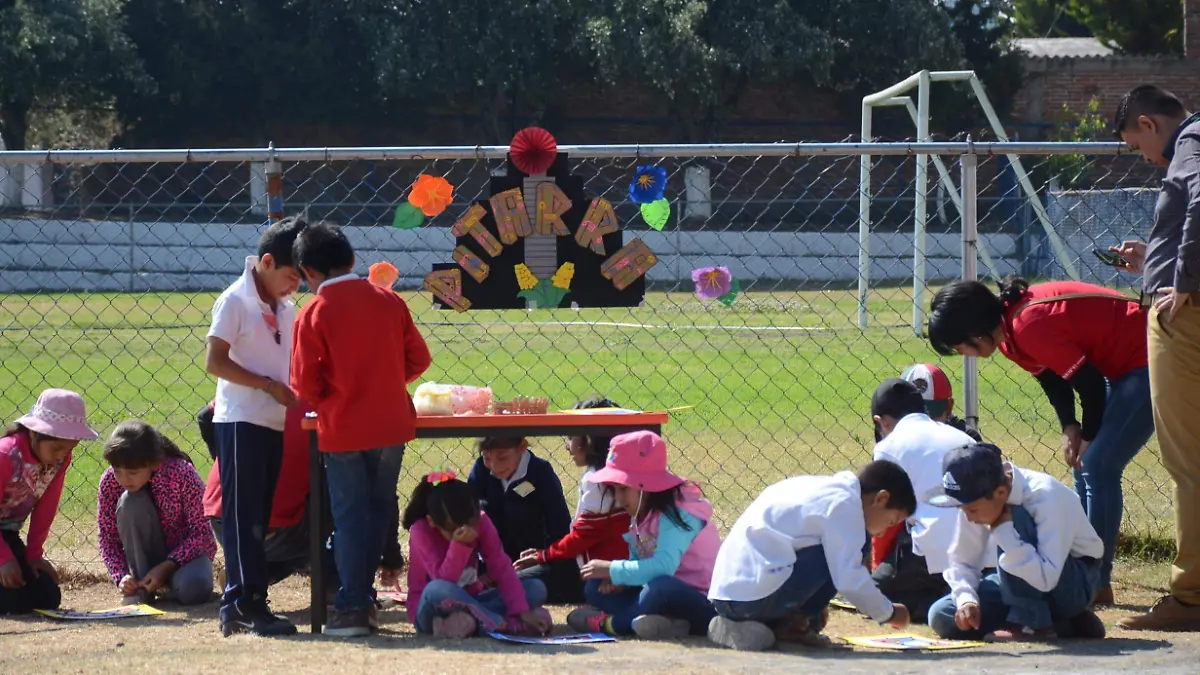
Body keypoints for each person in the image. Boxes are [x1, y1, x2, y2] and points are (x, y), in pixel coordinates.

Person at [928, 276, 1153, 605]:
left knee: (1098, 465)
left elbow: (1088, 383)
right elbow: (1052, 378)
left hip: (1149, 358)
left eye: (959, 346)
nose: (963, 354)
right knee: (1083, 465)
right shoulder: (1008, 334)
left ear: (975, 334)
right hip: (1122, 368)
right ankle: (1084, 567)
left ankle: (1096, 580)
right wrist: (1070, 427)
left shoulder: (1027, 324)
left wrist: (1088, 435)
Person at [291, 221, 432, 637]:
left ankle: (354, 604)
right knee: (377, 507)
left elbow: (303, 384)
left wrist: (332, 399)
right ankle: (363, 596)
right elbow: (419, 359)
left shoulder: (314, 312)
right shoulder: (388, 302)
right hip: (391, 423)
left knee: (350, 515)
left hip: (344, 428)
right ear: (352, 259)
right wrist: (386, 384)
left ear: (307, 273)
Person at [1110, 84, 1200, 631]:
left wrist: (1182, 280)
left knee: (1188, 463)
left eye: (1138, 146)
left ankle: (1190, 597)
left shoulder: (1190, 138)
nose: (1145, 158)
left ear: (1149, 123)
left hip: (1183, 320)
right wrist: (1156, 262)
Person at [205, 215, 307, 637]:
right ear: (266, 262)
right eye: (289, 276)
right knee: (245, 515)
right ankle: (245, 603)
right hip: (240, 421)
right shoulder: (235, 301)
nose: (293, 287)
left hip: (273, 422)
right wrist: (266, 385)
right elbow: (215, 361)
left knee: (258, 517)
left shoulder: (285, 309)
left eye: (300, 281)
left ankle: (241, 603)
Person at [706, 460, 915, 652]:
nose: (882, 532)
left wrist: (816, 603)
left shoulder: (822, 489)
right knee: (857, 546)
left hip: (729, 595)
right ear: (881, 498)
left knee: (843, 550)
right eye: (890, 521)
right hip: (751, 600)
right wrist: (889, 613)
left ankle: (770, 624)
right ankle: (791, 626)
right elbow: (848, 578)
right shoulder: (845, 506)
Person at [926, 443, 1106, 641]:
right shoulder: (974, 499)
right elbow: (963, 561)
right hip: (1018, 580)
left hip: (1073, 582)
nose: (968, 518)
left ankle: (1034, 624)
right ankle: (1065, 624)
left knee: (1018, 516)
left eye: (972, 510)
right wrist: (967, 600)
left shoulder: (1045, 496)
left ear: (1001, 493)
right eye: (962, 509)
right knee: (941, 615)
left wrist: (1004, 532)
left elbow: (1048, 577)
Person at [565, 431, 722, 640]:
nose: (618, 499)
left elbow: (663, 567)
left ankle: (612, 625)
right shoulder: (640, 515)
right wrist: (620, 581)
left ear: (645, 486)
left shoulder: (679, 513)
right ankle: (668, 624)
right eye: (614, 490)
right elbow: (638, 562)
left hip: (703, 603)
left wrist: (613, 569)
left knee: (660, 587)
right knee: (594, 587)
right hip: (661, 596)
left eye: (622, 489)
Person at [869, 378, 984, 623]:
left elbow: (886, 518)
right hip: (983, 553)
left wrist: (877, 568)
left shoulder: (888, 446)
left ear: (881, 422)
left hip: (932, 555)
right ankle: (958, 593)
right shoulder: (963, 437)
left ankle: (937, 598)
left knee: (874, 595)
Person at [404, 471, 552, 638]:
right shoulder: (421, 531)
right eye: (455, 530)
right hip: (432, 606)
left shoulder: (482, 522)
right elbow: (445, 581)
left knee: (535, 589)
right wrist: (459, 544)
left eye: (471, 525)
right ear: (432, 522)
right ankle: (500, 623)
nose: (467, 532)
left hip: (471, 601)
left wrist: (522, 610)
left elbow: (501, 567)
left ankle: (467, 625)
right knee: (436, 588)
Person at [0, 389, 98, 614]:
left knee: (47, 596)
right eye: (56, 448)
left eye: (68, 449)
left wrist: (33, 555)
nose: (61, 455)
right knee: (15, 602)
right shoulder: (6, 455)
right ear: (34, 434)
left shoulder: (59, 460)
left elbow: (46, 507)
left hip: (6, 536)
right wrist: (4, 559)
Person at [97, 420, 216, 606]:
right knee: (130, 501)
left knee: (195, 588)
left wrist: (168, 566)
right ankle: (142, 587)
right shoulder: (109, 481)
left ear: (154, 463)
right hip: (144, 559)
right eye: (117, 469)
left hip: (185, 558)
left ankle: (173, 586)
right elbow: (107, 537)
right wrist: (121, 575)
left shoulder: (182, 474)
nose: (122, 479)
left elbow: (203, 534)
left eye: (133, 472)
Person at [513, 396, 631, 574]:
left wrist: (543, 556)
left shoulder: (595, 480)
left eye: (570, 437)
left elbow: (582, 537)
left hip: (597, 568)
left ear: (589, 439)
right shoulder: (628, 471)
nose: (567, 446)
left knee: (521, 580)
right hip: (622, 564)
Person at [468, 436, 578, 603]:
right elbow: (470, 520)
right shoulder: (480, 472)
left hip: (532, 562)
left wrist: (542, 555)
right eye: (487, 457)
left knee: (543, 581)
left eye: (503, 457)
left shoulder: (540, 473)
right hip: (491, 563)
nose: (495, 466)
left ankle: (499, 590)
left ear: (522, 446)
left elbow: (560, 527)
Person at [899, 363, 982, 442]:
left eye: (930, 417)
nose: (922, 425)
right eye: (912, 417)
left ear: (948, 409)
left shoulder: (967, 439)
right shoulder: (890, 441)